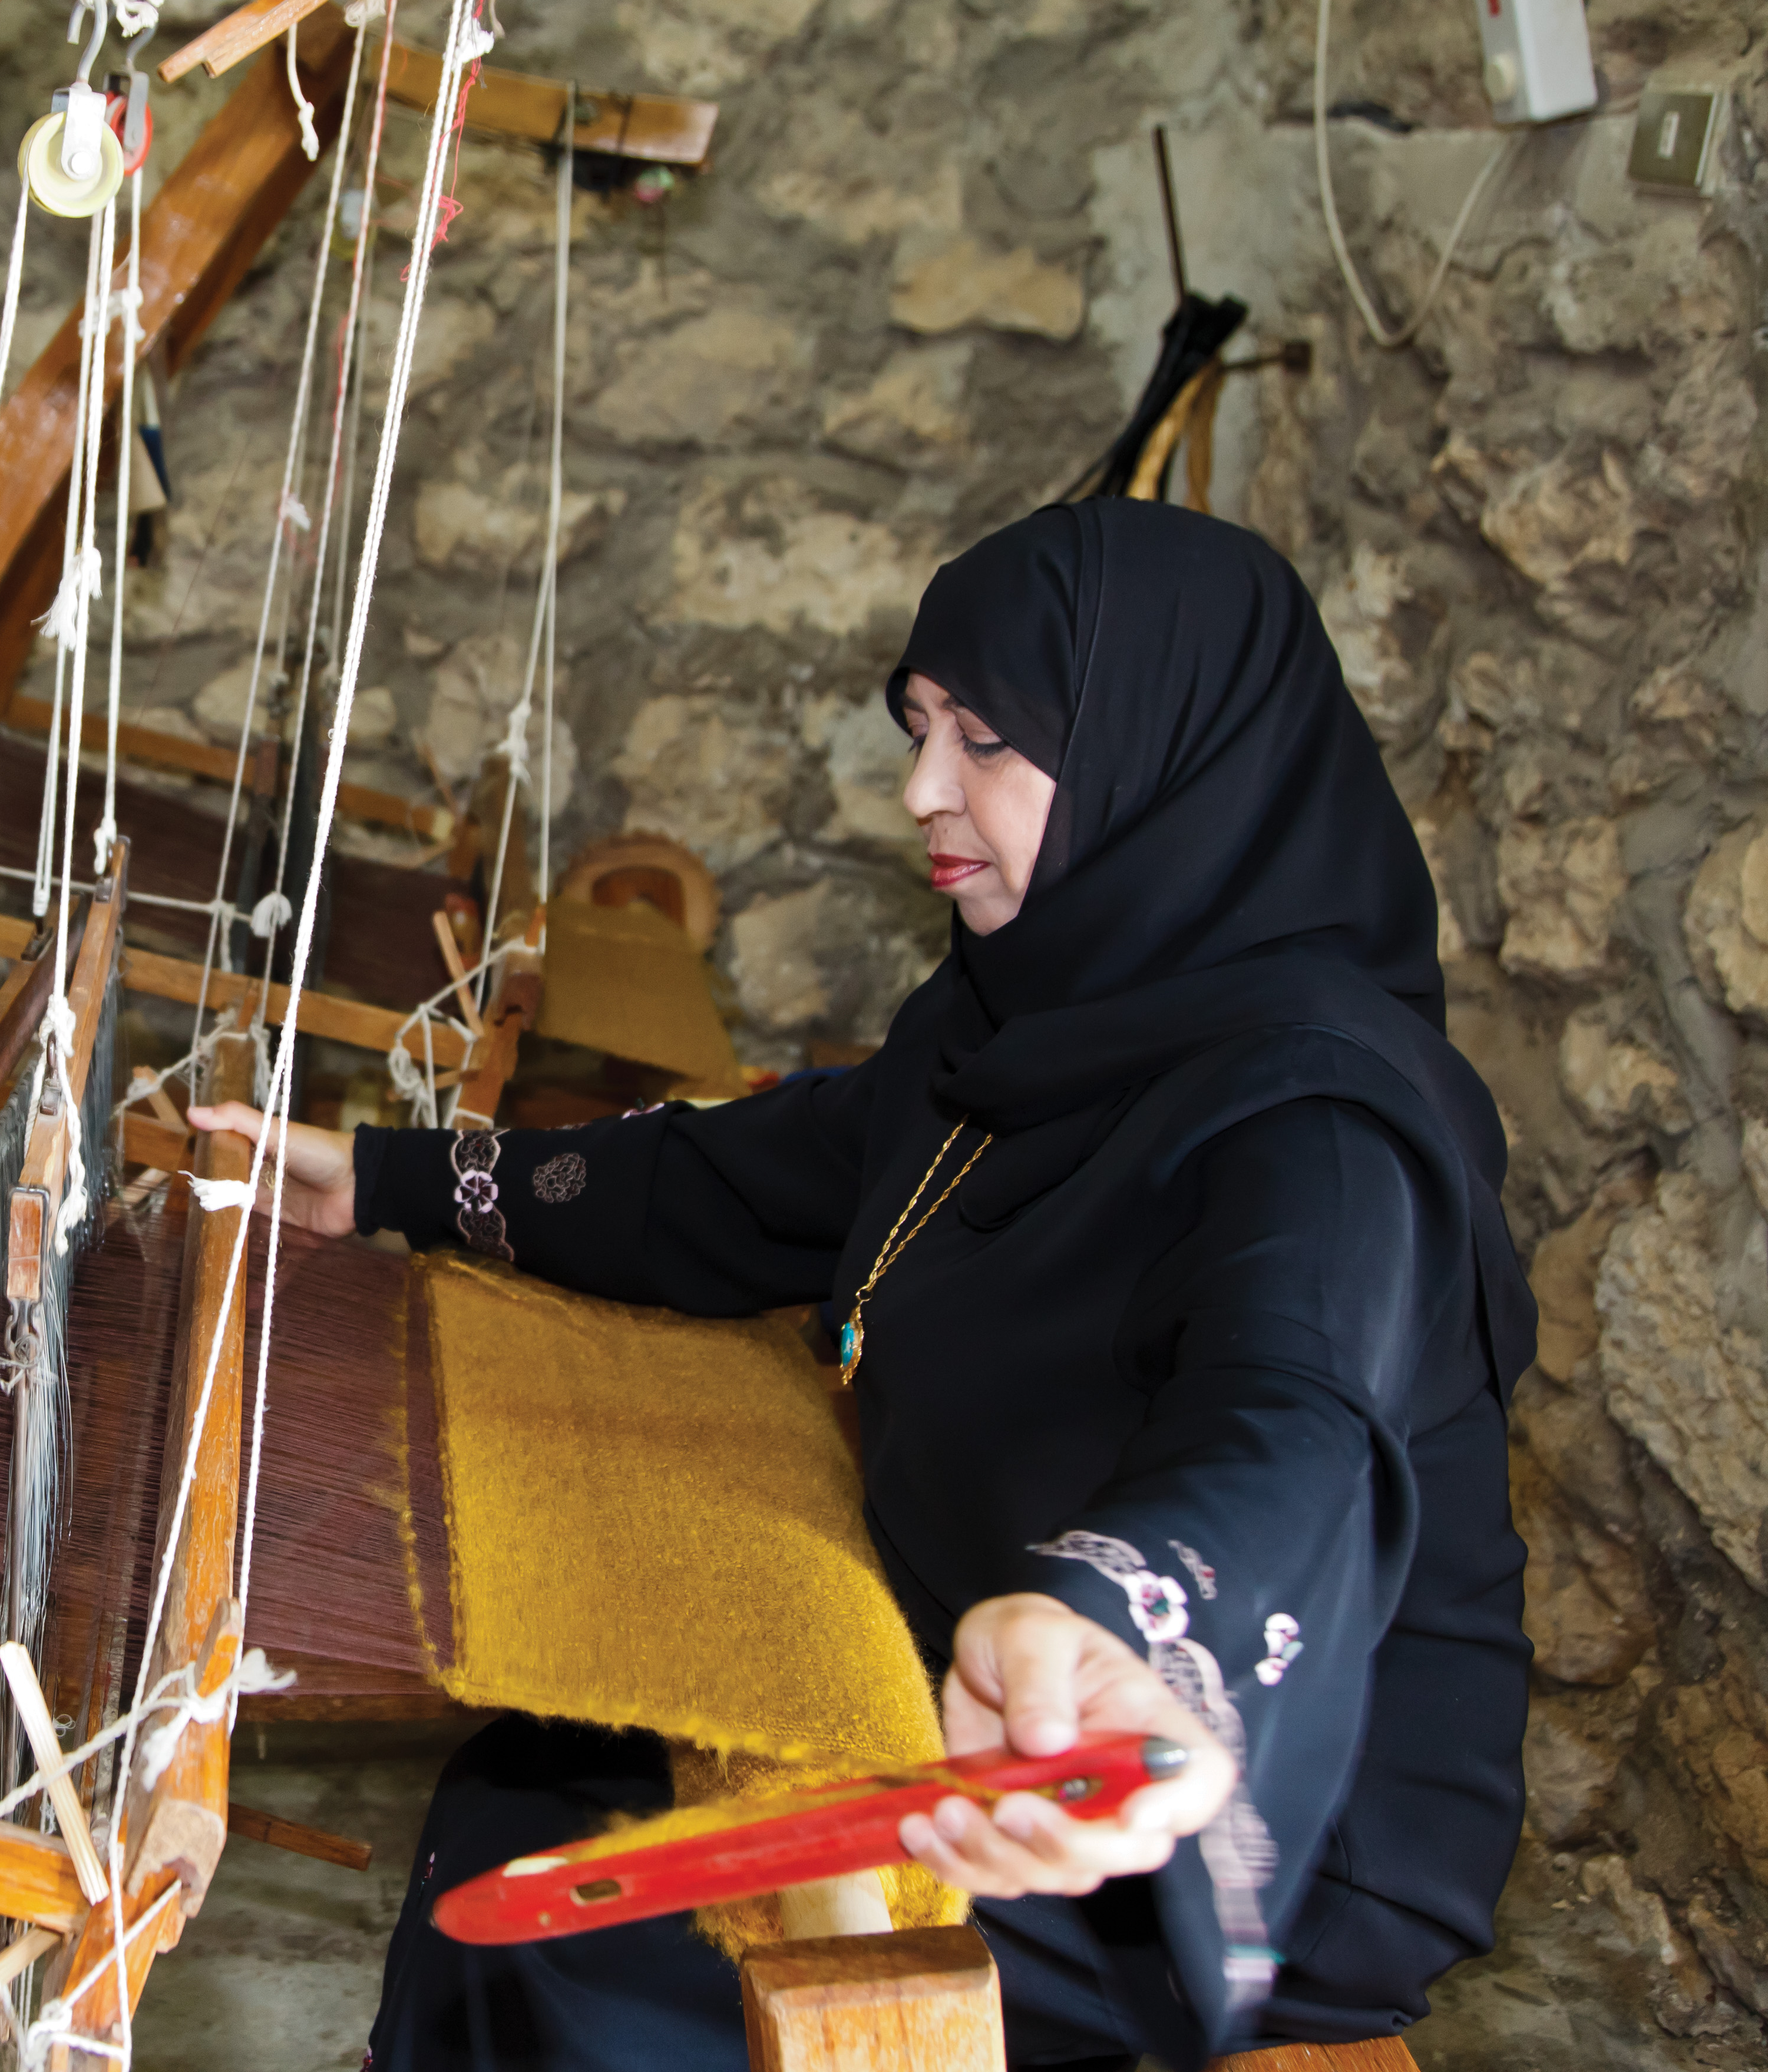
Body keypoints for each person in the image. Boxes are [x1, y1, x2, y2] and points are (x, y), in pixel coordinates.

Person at [193, 501, 1534, 2070]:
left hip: (1193, 1787)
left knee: (604, 1957)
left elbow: (1294, 1414)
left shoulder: (1321, 1118)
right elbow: (752, 1173)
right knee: (529, 1794)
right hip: (977, 1650)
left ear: (1163, 753)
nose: (923, 792)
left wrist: (1115, 1626)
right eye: (921, 731)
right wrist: (390, 1186)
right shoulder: (1020, 1019)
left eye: (987, 745)